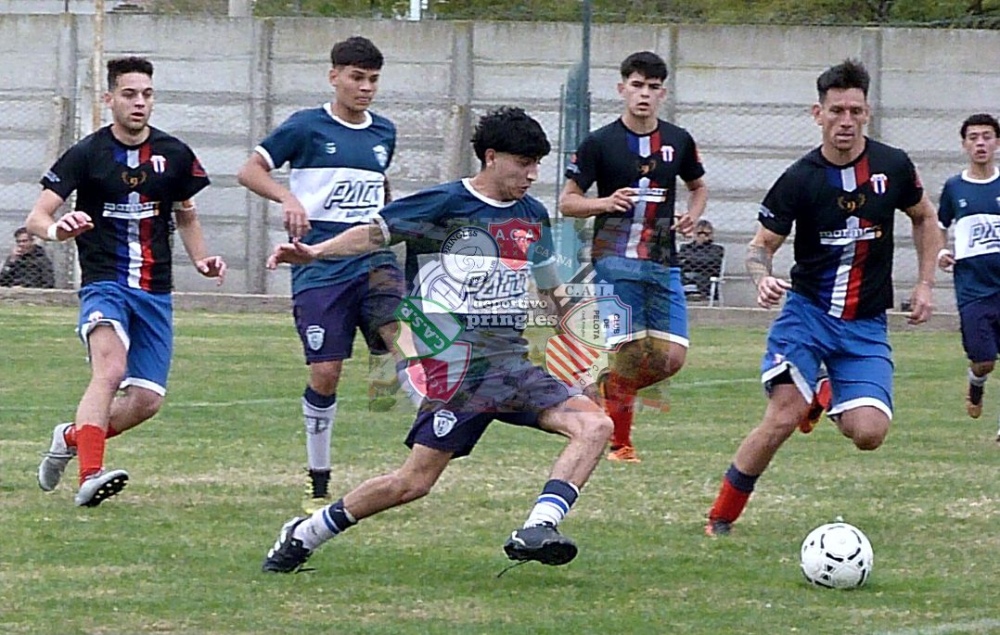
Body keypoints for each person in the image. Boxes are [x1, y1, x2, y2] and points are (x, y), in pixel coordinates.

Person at [259, 106, 612, 573]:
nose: (532, 174)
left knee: (595, 425)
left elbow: (551, 290)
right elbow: (372, 234)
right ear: (490, 157)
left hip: (511, 366)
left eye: (537, 165)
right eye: (523, 163)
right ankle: (307, 532)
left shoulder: (532, 215)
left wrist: (583, 354)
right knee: (413, 482)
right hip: (455, 370)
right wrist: (315, 251)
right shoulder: (444, 203)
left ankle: (538, 527)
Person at [704, 58, 941, 536]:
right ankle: (721, 516)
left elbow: (924, 216)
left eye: (855, 110)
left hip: (866, 324)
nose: (846, 121)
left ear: (867, 113)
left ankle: (826, 391)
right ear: (818, 113)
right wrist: (761, 277)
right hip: (807, 316)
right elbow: (759, 247)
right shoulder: (799, 178)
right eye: (837, 111)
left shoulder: (892, 166)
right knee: (784, 415)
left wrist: (925, 283)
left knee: (869, 434)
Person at [27, 56, 226, 507]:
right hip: (105, 284)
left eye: (147, 94)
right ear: (110, 98)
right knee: (110, 370)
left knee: (146, 401)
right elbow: (37, 217)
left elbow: (186, 214)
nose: (140, 103)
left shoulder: (173, 154)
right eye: (130, 94)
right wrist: (60, 229)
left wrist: (203, 259)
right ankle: (89, 475)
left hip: (155, 291)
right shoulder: (87, 153)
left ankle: (72, 437)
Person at [237, 36, 407, 515]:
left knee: (407, 339)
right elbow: (248, 171)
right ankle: (318, 476)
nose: (366, 88)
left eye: (373, 79)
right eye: (357, 78)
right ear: (334, 76)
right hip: (317, 266)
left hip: (372, 260)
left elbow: (378, 188)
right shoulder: (306, 128)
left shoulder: (384, 133)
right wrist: (287, 197)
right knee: (326, 372)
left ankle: (430, 452)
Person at [559, 50, 708, 463]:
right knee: (628, 349)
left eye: (653, 87)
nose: (644, 94)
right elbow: (567, 202)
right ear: (621, 88)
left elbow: (699, 187)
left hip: (663, 263)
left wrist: (692, 218)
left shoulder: (678, 141)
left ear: (663, 93)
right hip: (613, 261)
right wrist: (605, 202)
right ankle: (620, 445)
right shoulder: (599, 143)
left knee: (671, 358)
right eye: (637, 85)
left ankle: (607, 387)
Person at [936, 113, 1000, 442]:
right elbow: (939, 226)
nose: (980, 143)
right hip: (973, 289)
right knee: (984, 360)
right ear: (964, 144)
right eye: (973, 137)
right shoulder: (954, 188)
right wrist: (941, 253)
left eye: (987, 136)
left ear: (997, 142)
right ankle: (976, 385)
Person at [679, 219, 724, 300]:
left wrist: (689, 260)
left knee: (703, 275)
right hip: (686, 275)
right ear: (694, 233)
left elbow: (712, 262)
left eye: (706, 234)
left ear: (711, 235)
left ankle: (698, 294)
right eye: (699, 233)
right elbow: (680, 261)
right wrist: (700, 260)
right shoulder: (685, 247)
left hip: (706, 275)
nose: (702, 236)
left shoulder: (717, 249)